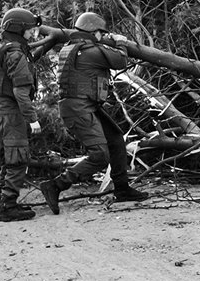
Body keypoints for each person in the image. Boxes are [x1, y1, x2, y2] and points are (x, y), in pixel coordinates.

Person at [38, 12, 147, 213]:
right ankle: (55, 185)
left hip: (84, 105)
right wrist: (120, 42)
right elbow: (120, 61)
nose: (102, 36)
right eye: (100, 33)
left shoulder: (73, 47)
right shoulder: (89, 51)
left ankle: (122, 189)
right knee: (99, 155)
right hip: (78, 108)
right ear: (93, 32)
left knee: (115, 140)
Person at [0, 6, 44, 222]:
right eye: (29, 30)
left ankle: (5, 199)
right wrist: (33, 119)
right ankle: (7, 207)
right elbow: (21, 92)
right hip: (10, 113)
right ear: (18, 29)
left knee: (8, 157)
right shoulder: (15, 53)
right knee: (18, 158)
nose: (32, 34)